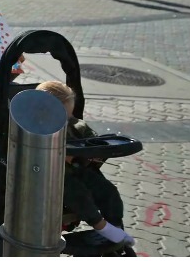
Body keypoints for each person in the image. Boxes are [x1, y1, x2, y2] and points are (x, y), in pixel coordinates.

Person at [37, 81, 134, 249]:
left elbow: (85, 139)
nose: (67, 119)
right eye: (64, 116)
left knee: (107, 190)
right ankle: (101, 227)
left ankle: (115, 225)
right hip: (51, 176)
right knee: (79, 194)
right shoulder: (38, 126)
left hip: (76, 169)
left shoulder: (70, 124)